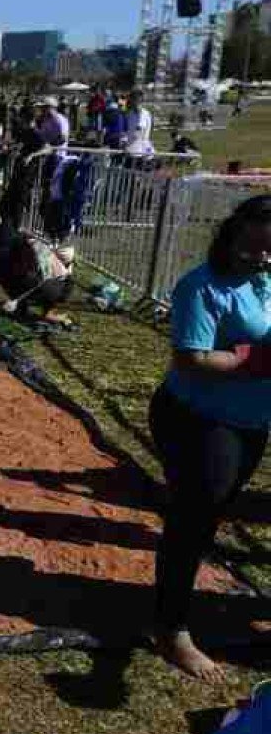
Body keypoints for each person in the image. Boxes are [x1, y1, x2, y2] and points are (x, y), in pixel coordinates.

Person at [147, 195, 271, 681]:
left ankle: (172, 611)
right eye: (253, 249)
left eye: (270, 252)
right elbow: (191, 359)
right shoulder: (201, 286)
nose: (262, 260)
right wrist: (254, 362)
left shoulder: (264, 277)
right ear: (231, 236)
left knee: (209, 513)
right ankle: (171, 629)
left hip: (249, 422)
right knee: (193, 520)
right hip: (198, 418)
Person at [0, 229, 75, 323]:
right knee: (25, 280)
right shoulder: (24, 254)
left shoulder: (15, 258)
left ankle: (29, 310)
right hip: (42, 284)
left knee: (31, 282)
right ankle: (33, 310)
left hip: (44, 285)